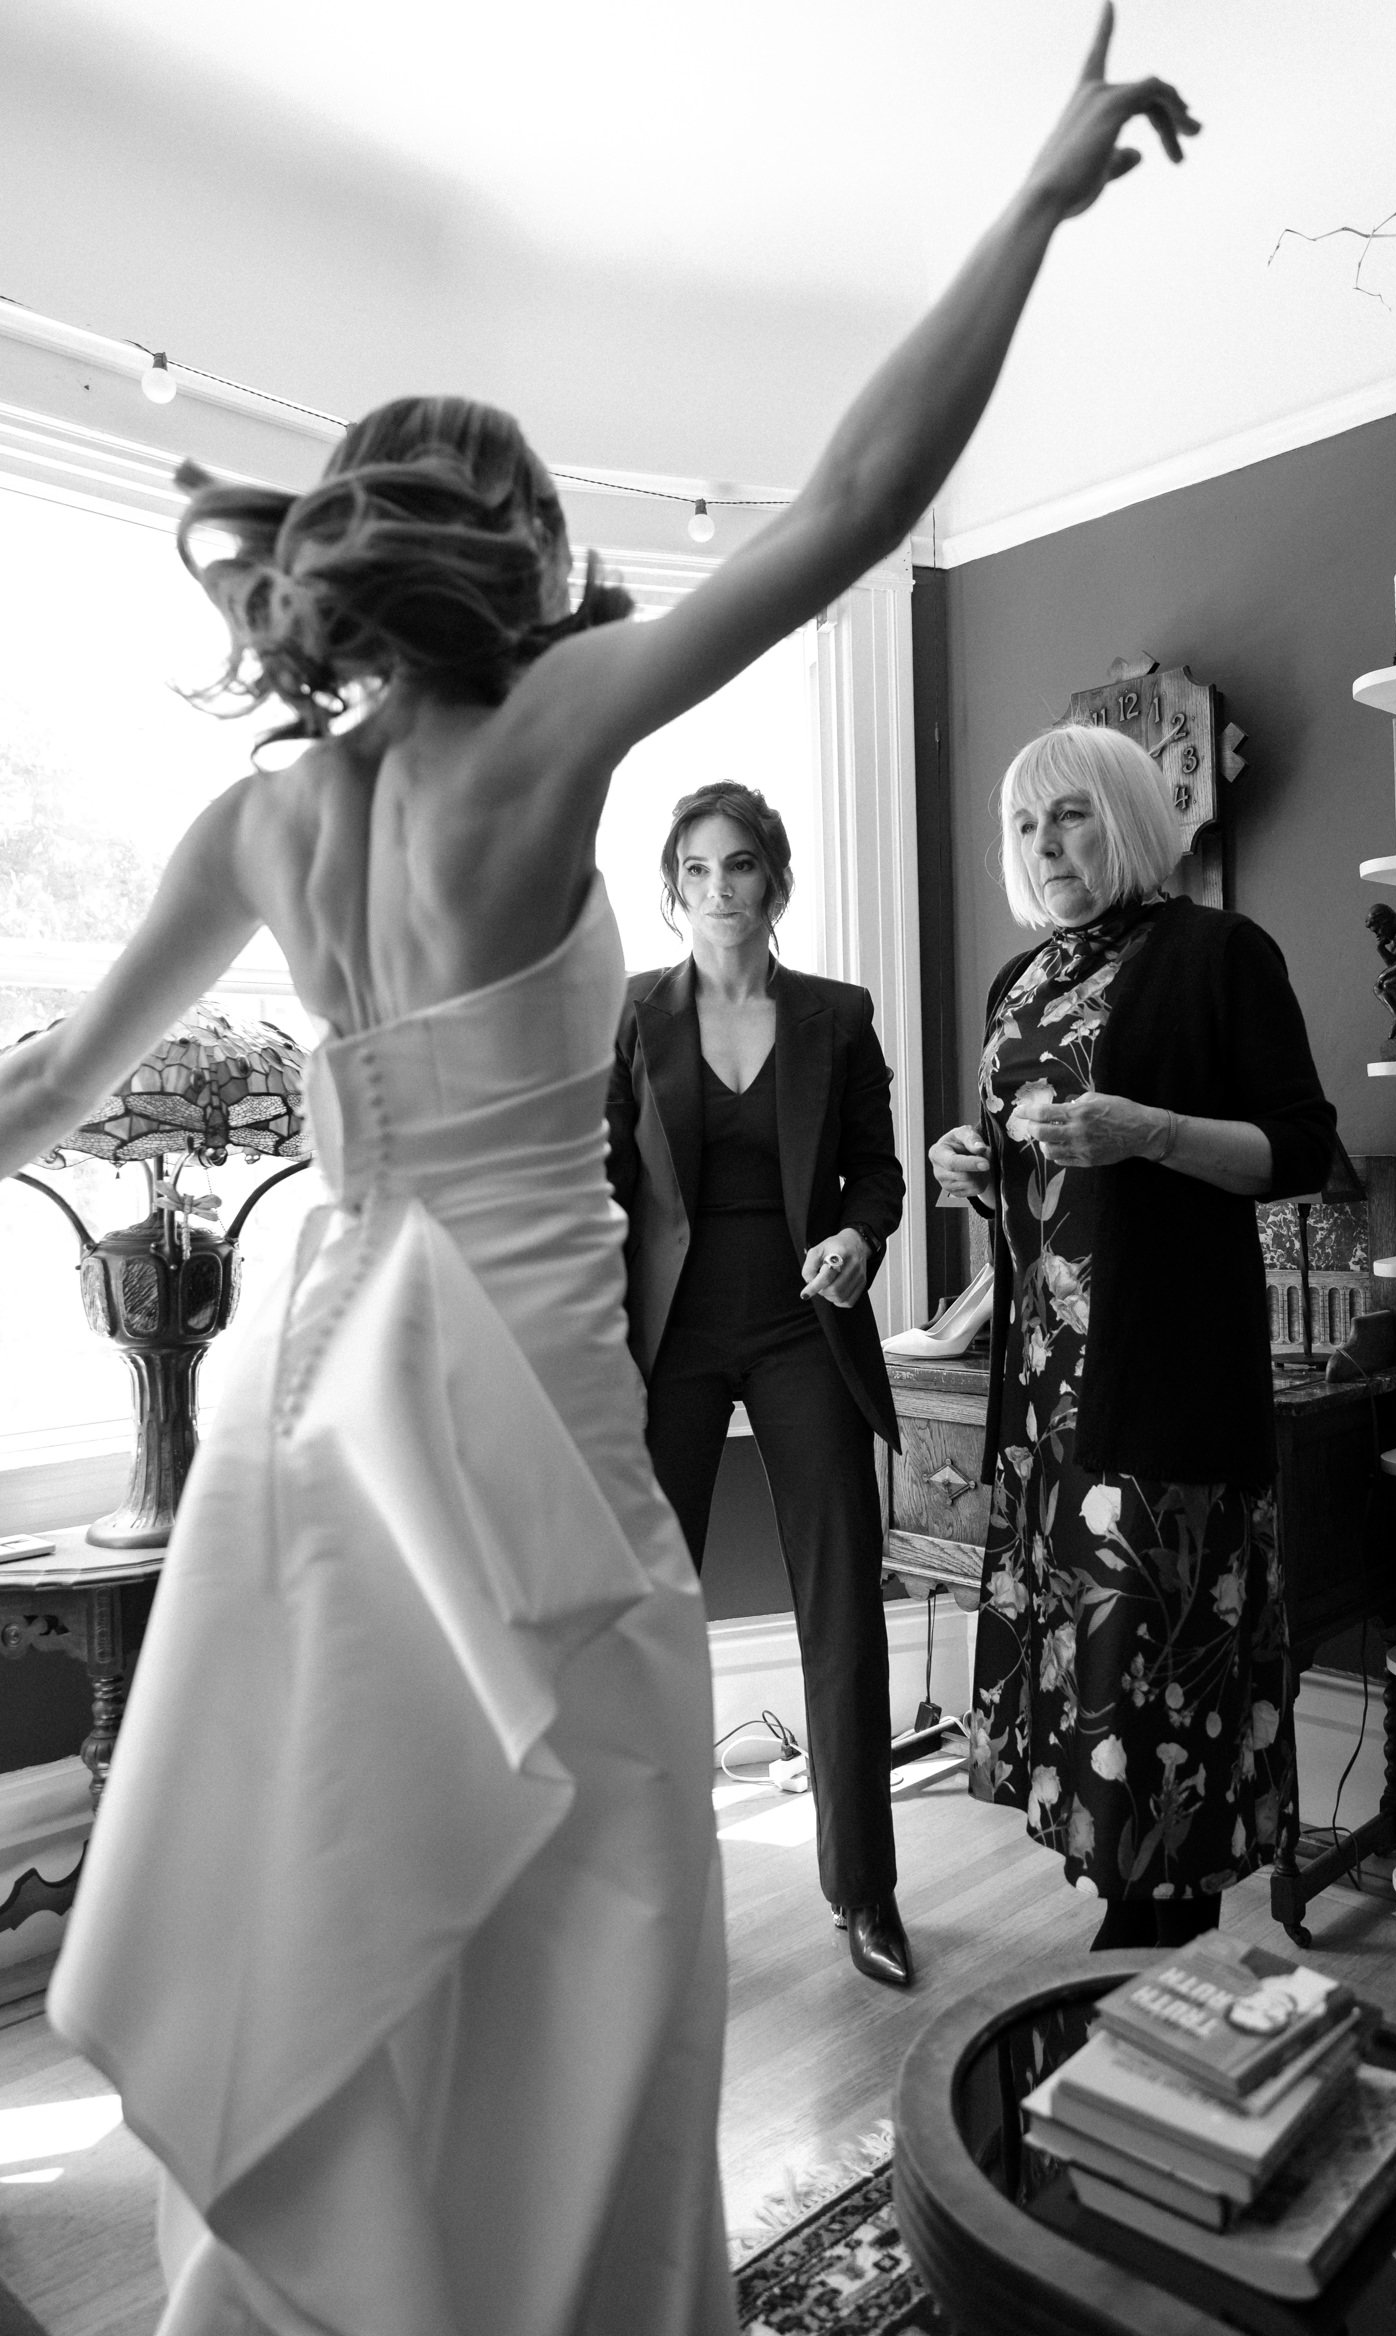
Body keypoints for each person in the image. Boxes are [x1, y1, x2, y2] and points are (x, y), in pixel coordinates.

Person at [0, 5, 1199, 2336]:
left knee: (343, 1875)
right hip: (520, 1424)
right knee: (587, 1898)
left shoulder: (260, 821)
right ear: (519, 560)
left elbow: (40, 1087)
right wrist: (1035, 203)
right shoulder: (544, 732)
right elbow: (846, 508)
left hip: (315, 1414)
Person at [930, 722, 1335, 1952]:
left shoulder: (1217, 952)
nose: (1045, 844)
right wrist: (974, 1169)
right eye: (1024, 824)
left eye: (1071, 815)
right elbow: (1047, 1182)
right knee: (1090, 1669)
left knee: (1160, 1665)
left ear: (1128, 819)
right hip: (1046, 1398)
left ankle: (1152, 1946)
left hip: (1163, 1378)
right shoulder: (1019, 981)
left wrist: (1150, 1132)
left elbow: (1298, 1152)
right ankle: (1137, 1960)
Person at [607, 779, 909, 1985]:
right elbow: (598, 1183)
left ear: (774, 879)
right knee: (648, 1620)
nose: (718, 888)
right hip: (668, 1341)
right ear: (671, 888)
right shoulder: (632, 1014)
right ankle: (650, 1903)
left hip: (802, 1328)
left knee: (840, 1602)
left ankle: (866, 1893)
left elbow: (877, 1171)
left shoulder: (836, 1016)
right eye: (695, 868)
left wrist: (861, 1238)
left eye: (738, 865)